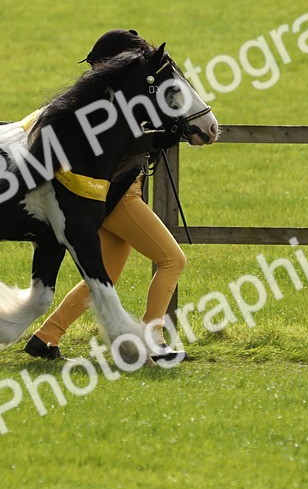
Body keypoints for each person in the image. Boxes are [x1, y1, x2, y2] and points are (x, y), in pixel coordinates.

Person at [22, 29, 188, 364]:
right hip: (119, 197)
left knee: (103, 277)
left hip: (112, 194)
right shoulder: (107, 101)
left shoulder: (109, 97)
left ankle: (46, 337)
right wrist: (157, 139)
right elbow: (117, 147)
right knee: (172, 260)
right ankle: (154, 339)